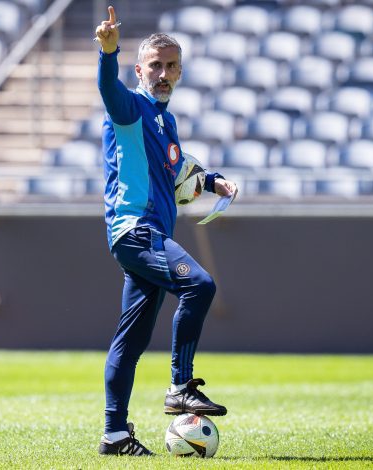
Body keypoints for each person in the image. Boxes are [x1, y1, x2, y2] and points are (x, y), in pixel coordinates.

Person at [94, 6, 238, 456]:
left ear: (179, 72)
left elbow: (178, 168)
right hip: (136, 231)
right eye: (155, 65)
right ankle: (179, 385)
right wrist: (108, 51)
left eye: (171, 65)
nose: (163, 72)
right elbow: (107, 88)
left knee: (131, 339)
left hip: (145, 235)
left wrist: (213, 180)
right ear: (139, 70)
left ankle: (114, 436)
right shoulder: (131, 108)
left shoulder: (164, 120)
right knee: (200, 284)